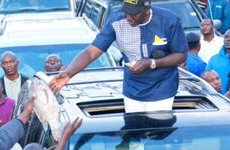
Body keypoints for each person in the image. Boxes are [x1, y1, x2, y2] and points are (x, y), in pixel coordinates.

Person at [50, 0, 188, 113]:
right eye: (126, 12)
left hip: (162, 89)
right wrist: (68, 74)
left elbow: (181, 55)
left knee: (157, 139)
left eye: (134, 14)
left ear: (147, 9)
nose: (129, 17)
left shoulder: (168, 20)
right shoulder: (116, 22)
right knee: (134, 142)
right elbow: (91, 52)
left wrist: (151, 63)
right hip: (132, 90)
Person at [207, 29, 230, 94]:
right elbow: (206, 79)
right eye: (226, 37)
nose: (228, 39)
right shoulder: (214, 59)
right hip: (218, 100)